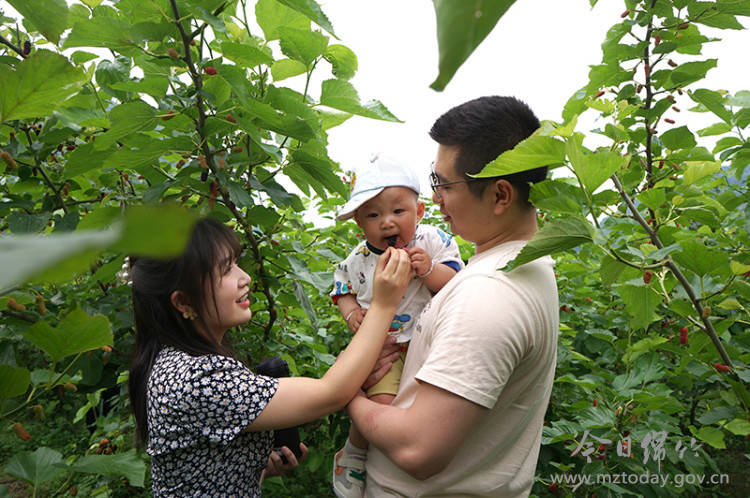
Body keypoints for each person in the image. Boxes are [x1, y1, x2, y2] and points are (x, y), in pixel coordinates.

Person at [346, 96, 560, 497]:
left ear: (500, 195)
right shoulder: (523, 267)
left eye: (445, 184)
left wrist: (349, 396)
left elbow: (419, 449)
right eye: (434, 180)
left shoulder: (489, 295)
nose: (437, 198)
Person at [127, 217, 413, 497]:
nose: (245, 277)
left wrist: (256, 468)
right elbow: (330, 393)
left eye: (236, 263)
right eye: (226, 270)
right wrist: (384, 303)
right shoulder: (194, 379)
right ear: (183, 301)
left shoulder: (176, 364)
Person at [330, 154, 464, 497]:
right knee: (384, 404)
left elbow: (456, 282)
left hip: (428, 345)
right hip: (383, 349)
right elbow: (341, 290)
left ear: (419, 212)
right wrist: (351, 315)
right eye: (373, 215)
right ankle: (355, 453)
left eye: (398, 212)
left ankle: (409, 455)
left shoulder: (432, 242)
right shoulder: (357, 260)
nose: (387, 223)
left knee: (427, 408)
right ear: (360, 223)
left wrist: (429, 269)